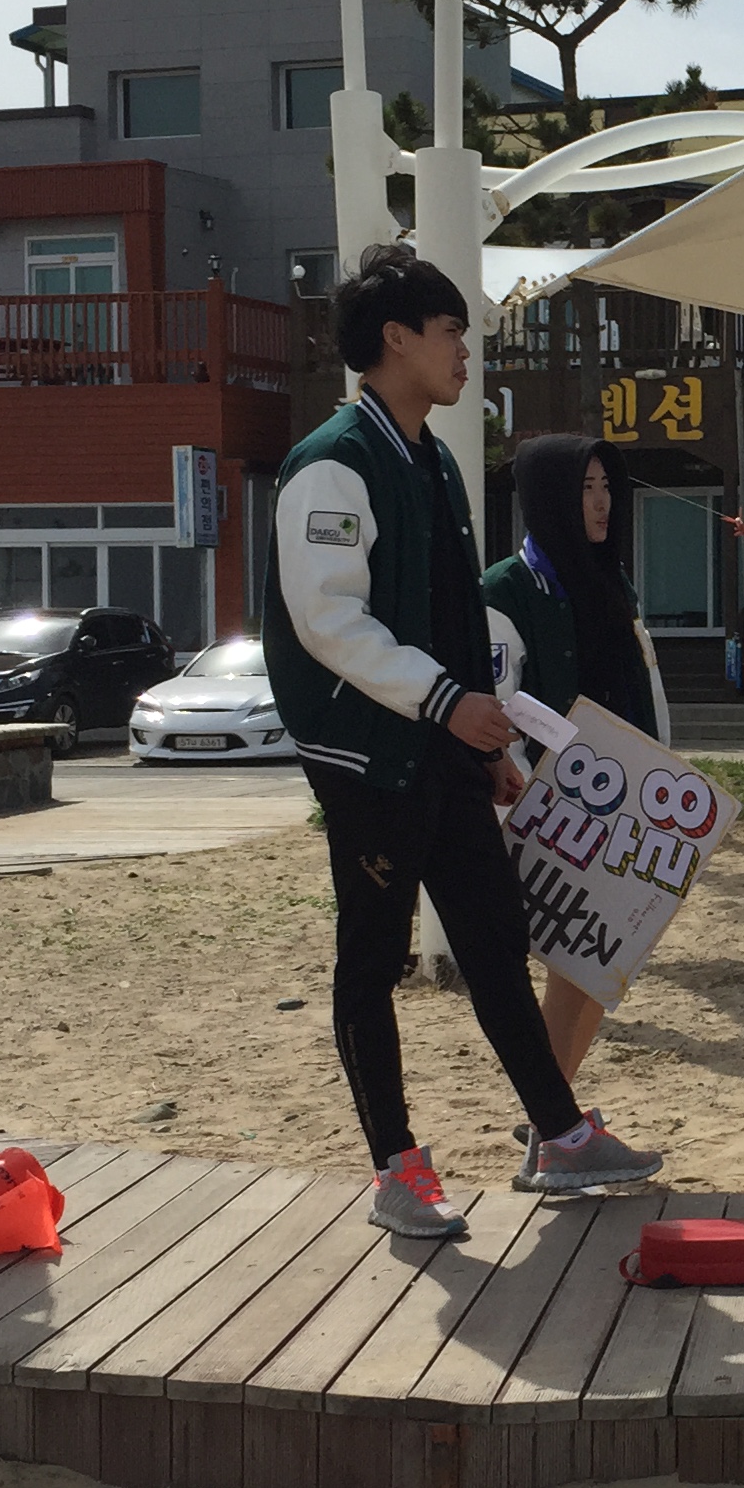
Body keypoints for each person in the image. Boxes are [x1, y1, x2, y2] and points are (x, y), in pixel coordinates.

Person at [263, 243, 660, 1238]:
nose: (465, 353)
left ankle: (561, 1135)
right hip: (366, 755)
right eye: (451, 332)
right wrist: (449, 705)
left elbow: (451, 614)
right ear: (395, 339)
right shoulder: (331, 464)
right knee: (373, 960)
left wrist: (484, 741)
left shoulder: (434, 458)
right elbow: (328, 621)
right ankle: (395, 1169)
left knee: (493, 941)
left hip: (438, 743)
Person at [482, 431, 672, 1082]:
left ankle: (553, 1106)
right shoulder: (507, 590)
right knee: (575, 963)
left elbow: (644, 686)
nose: (601, 503)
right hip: (553, 811)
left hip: (628, 804)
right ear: (547, 499)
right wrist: (515, 787)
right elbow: (495, 705)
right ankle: (549, 1109)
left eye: (607, 487)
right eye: (584, 489)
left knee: (600, 965)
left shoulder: (611, 579)